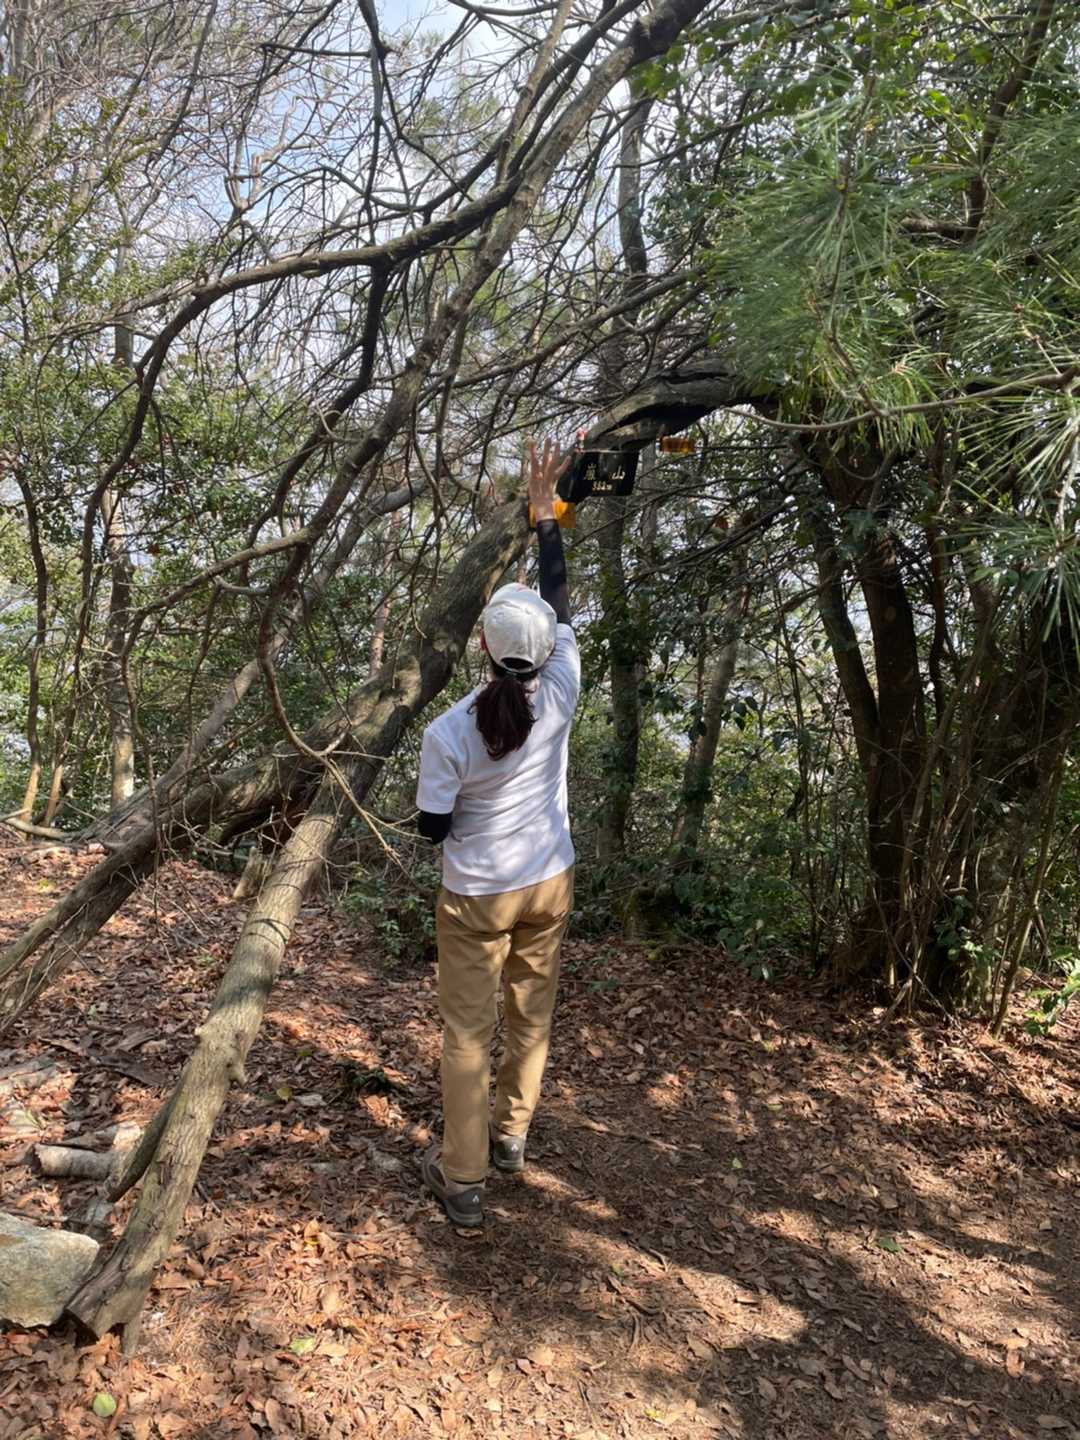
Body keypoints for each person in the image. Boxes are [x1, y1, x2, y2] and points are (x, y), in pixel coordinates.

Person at [414, 438, 580, 1227]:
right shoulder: (564, 687)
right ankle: (510, 1138)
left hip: (477, 894)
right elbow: (562, 602)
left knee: (467, 1034)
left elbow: (431, 828)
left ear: (482, 646)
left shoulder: (449, 731)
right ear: (544, 651)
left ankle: (464, 1178)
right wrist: (546, 517)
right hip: (548, 881)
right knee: (530, 1015)